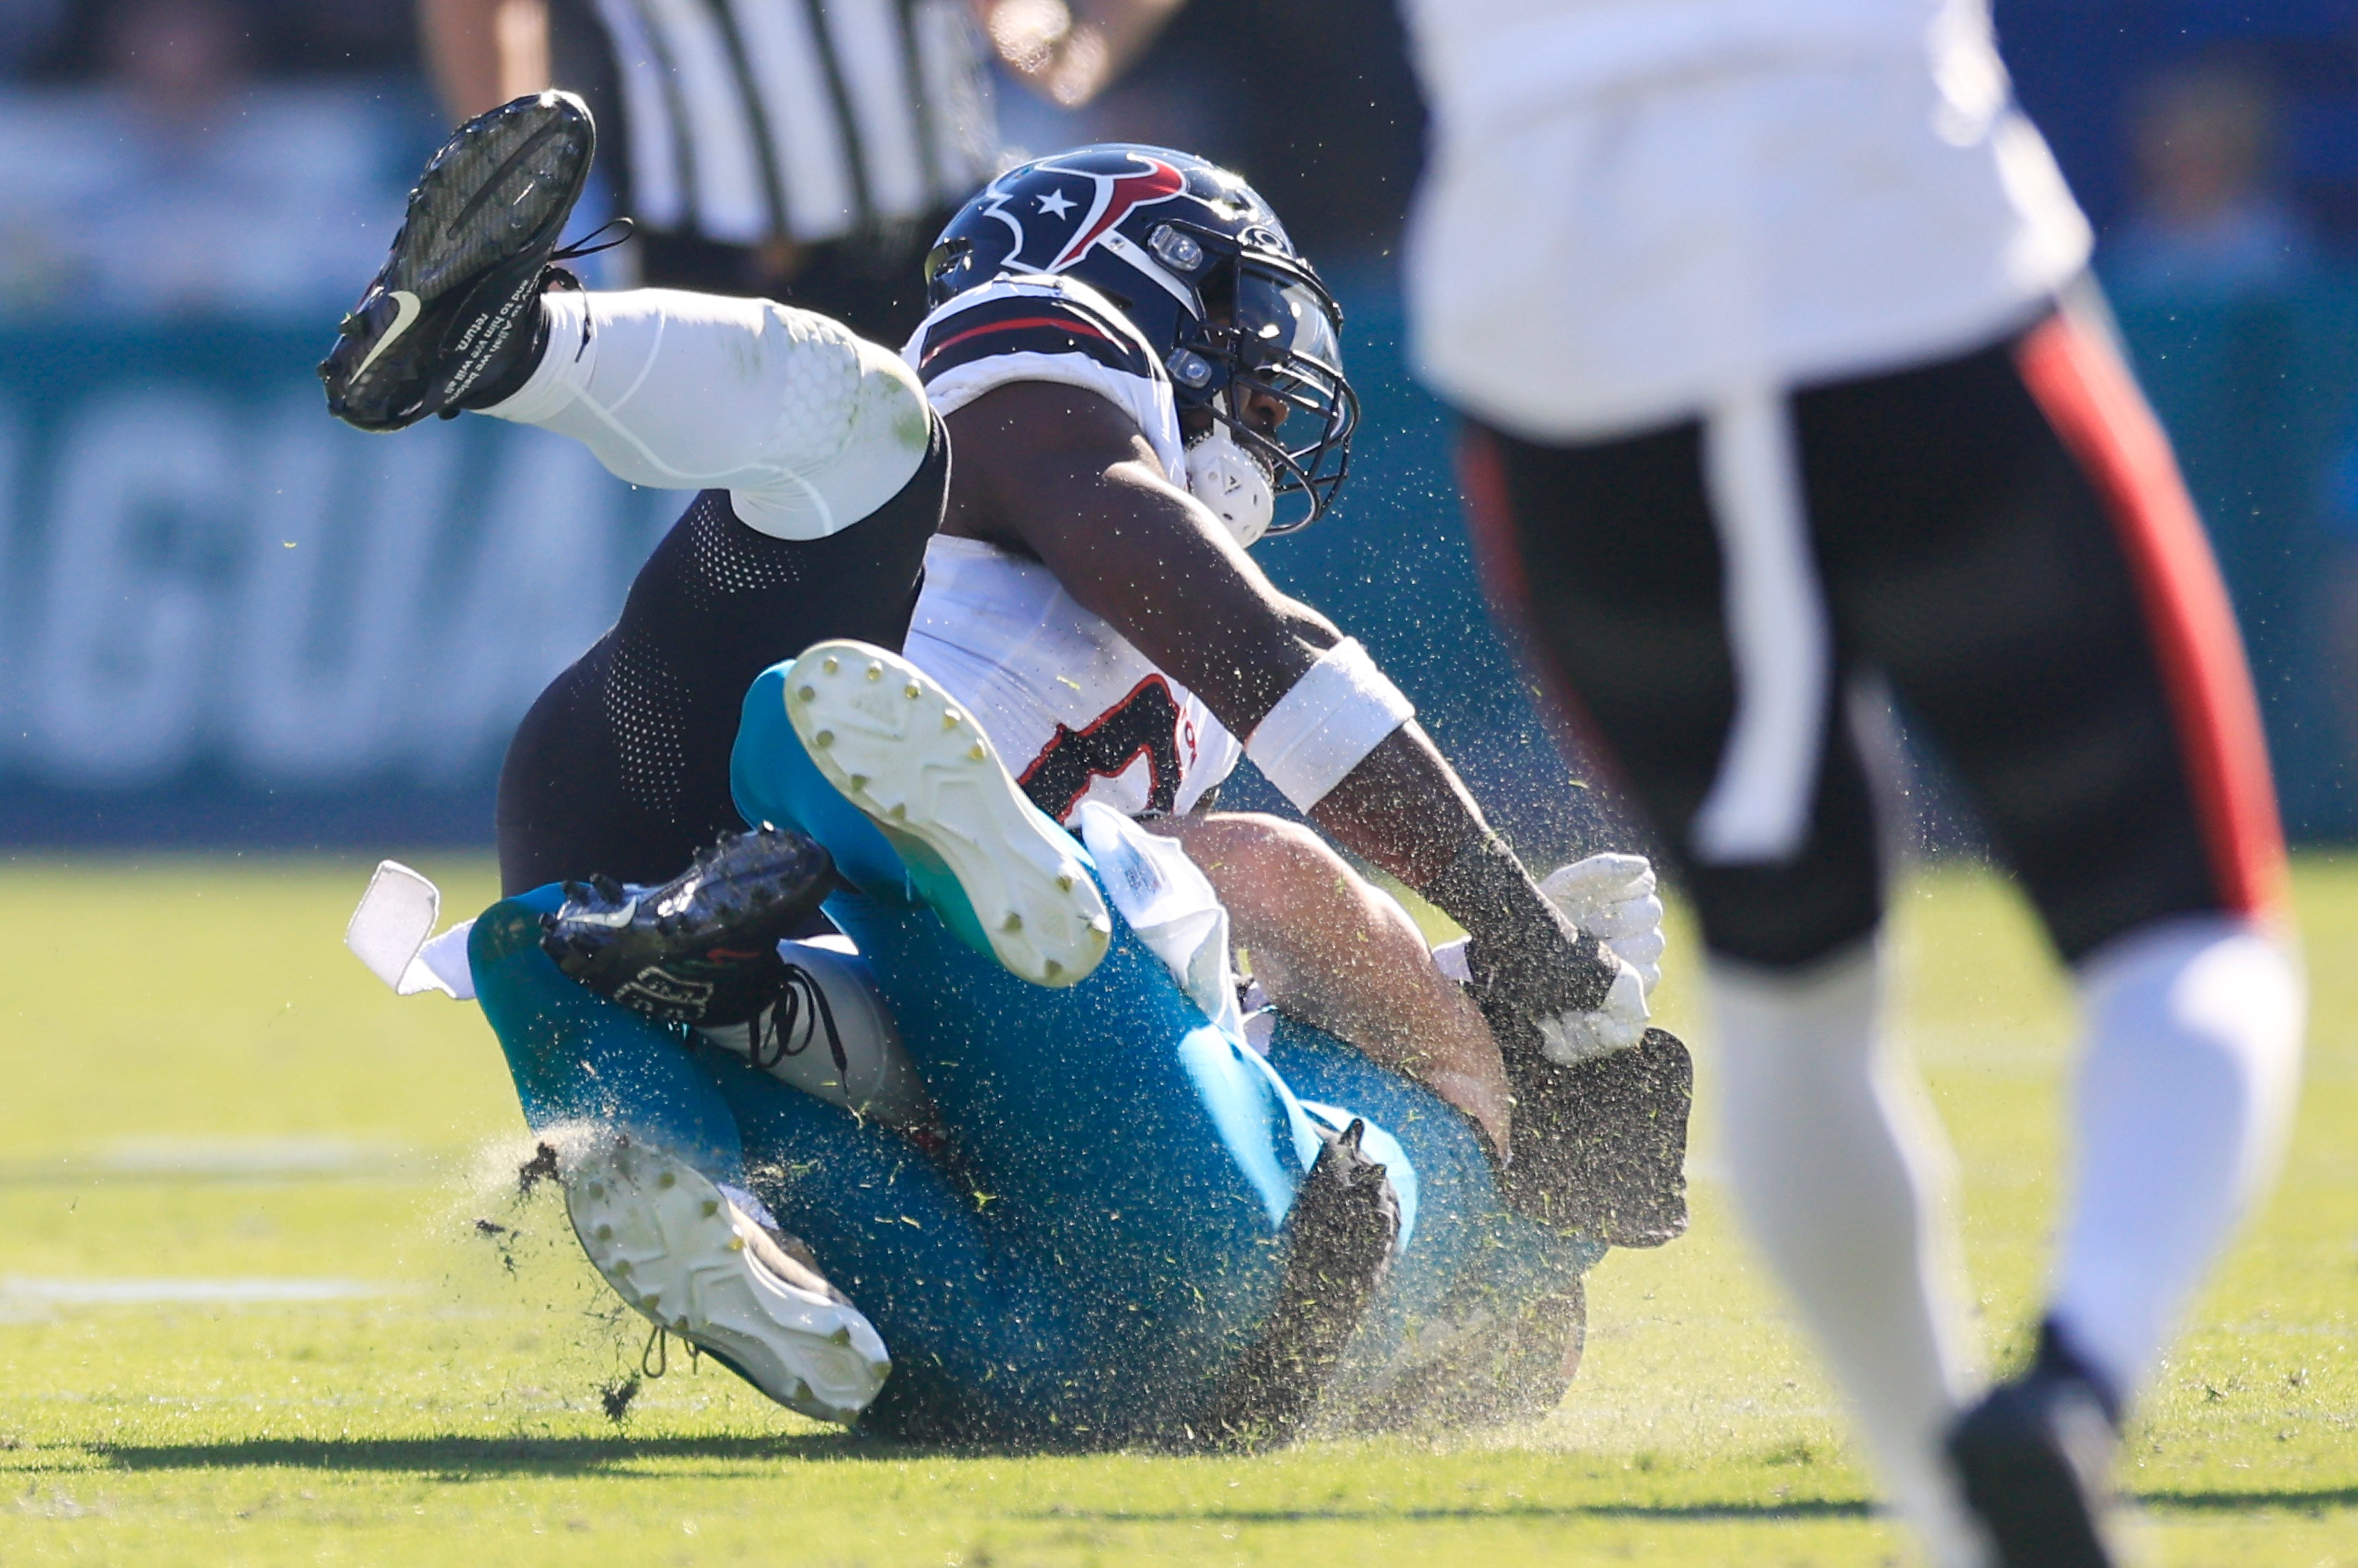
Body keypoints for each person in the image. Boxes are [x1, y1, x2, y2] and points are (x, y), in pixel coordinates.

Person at [321, 92, 1686, 1435]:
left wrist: (1500, 974)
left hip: (797, 956)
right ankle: (511, 347)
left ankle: (762, 1223)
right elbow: (1259, 667)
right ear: (1142, 284)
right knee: (862, 499)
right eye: (1255, 346)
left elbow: (1248, 773)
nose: (1277, 401)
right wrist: (1514, 941)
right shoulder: (1041, 393)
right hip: (737, 780)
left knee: (548, 968)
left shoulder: (1193, 662)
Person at [1392, 2, 2307, 1563]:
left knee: (1789, 987)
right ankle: (2077, 1380)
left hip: (1570, 335)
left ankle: (1957, 1517)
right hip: (1902, 255)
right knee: (2195, 930)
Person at [419, 0, 1183, 341]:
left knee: (962, 557)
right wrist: (518, 199)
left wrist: (1073, 48)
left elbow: (1025, 23)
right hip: (709, 254)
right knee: (762, 568)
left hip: (940, 244)